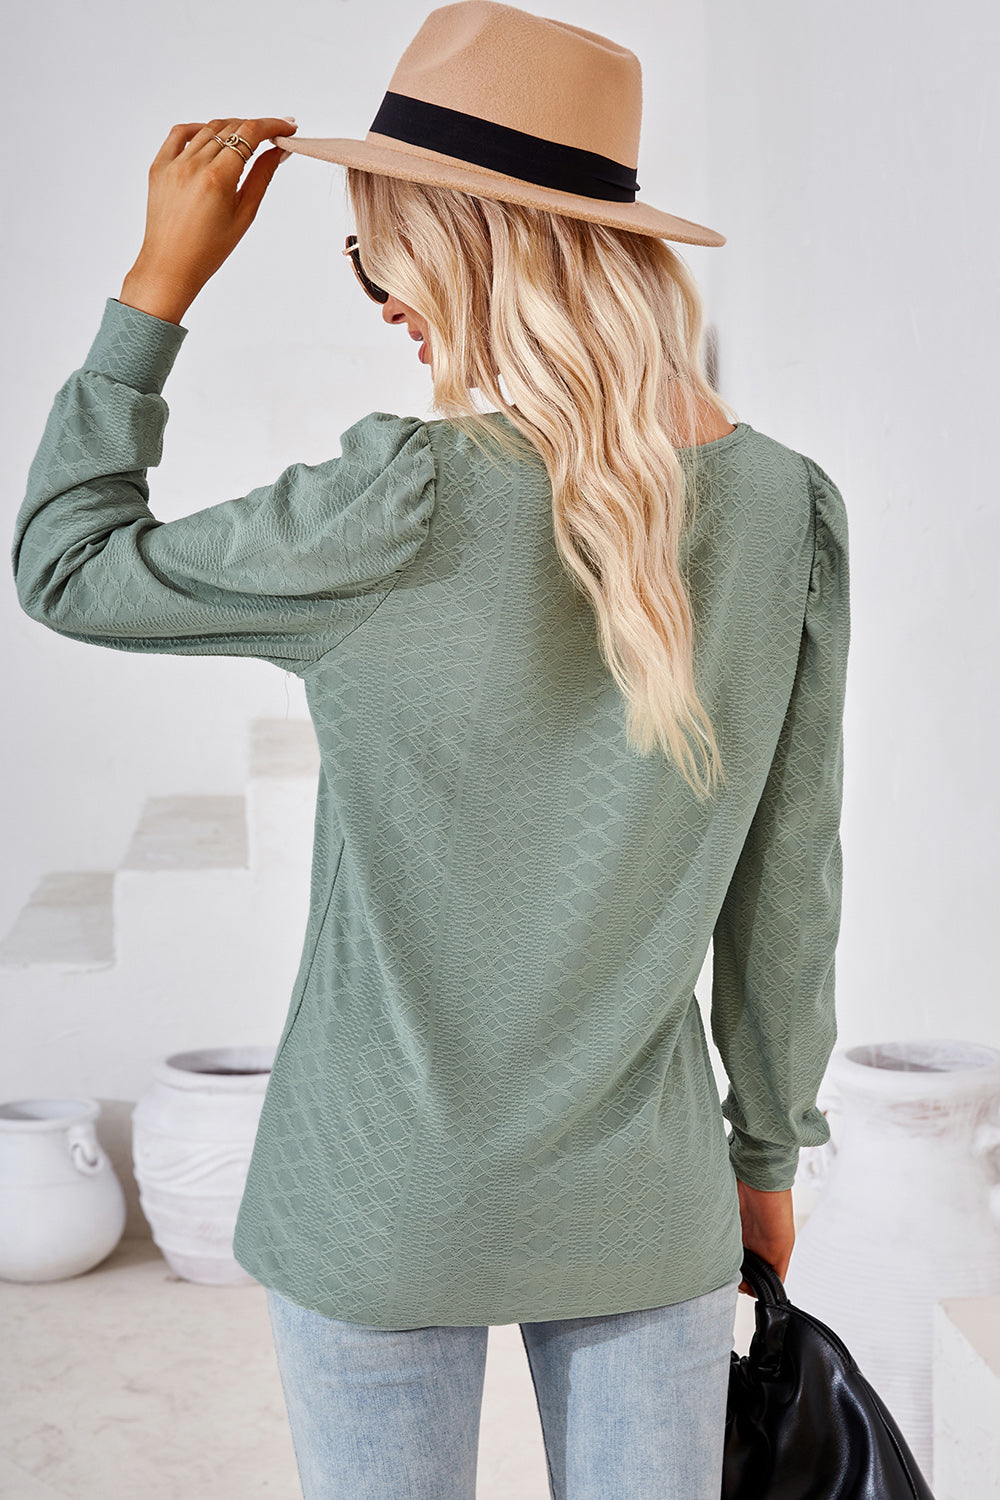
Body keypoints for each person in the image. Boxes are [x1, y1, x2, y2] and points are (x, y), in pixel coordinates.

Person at [11, 3, 850, 1497]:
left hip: (376, 1191)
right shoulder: (786, 508)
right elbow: (791, 882)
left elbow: (66, 564)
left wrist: (157, 287)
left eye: (378, 253)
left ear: (470, 246)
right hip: (643, 1190)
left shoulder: (396, 502)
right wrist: (767, 1153)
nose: (384, 296)